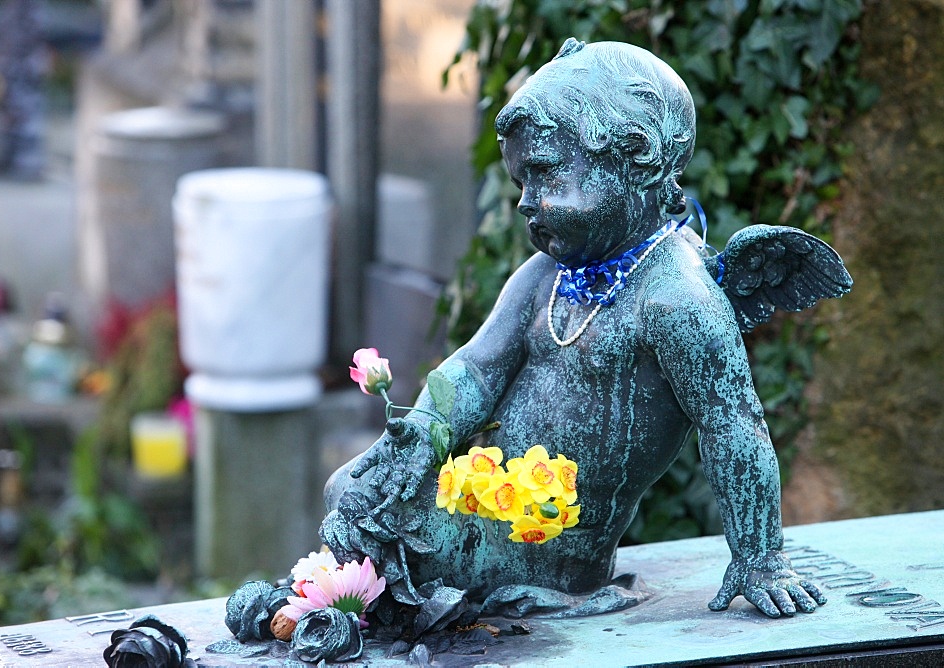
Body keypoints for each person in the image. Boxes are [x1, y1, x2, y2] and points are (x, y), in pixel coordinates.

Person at [322, 39, 830, 620]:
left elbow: (735, 425)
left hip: (552, 548)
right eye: (521, 184)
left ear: (633, 158)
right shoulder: (545, 276)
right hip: (487, 501)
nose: (525, 203)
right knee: (352, 487)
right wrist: (421, 437)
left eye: (542, 175)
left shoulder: (676, 297)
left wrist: (760, 558)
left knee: (376, 527)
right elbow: (477, 365)